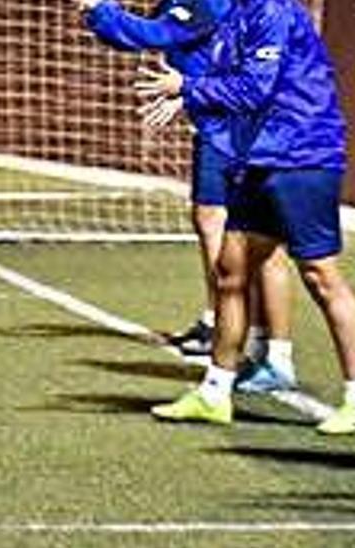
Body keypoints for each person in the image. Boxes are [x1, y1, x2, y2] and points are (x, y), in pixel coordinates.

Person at [139, 0, 355, 433]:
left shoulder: (275, 13)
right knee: (230, 271)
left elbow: (256, 87)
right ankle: (215, 392)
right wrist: (99, 12)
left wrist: (188, 88)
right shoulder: (236, 15)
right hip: (259, 157)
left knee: (321, 275)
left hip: (302, 156)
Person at [74, 0, 297, 392]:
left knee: (259, 242)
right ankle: (238, 334)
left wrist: (100, 11)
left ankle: (266, 351)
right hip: (223, 121)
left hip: (243, 128)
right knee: (228, 229)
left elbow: (155, 34)